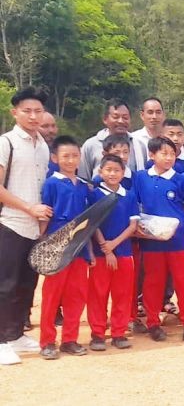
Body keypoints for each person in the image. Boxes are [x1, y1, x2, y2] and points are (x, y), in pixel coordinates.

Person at [0, 87, 54, 366]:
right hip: (11, 223)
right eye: (27, 111)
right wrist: (28, 208)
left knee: (27, 283)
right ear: (15, 113)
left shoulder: (42, 145)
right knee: (5, 284)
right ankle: (1, 340)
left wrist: (41, 215)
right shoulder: (6, 143)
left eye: (38, 111)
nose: (33, 116)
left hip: (36, 227)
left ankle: (16, 334)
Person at [133, 136, 184, 342]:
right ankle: (153, 323)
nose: (169, 158)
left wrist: (176, 215)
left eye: (172, 154)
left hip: (177, 240)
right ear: (151, 155)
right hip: (151, 241)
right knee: (153, 282)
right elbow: (135, 204)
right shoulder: (141, 178)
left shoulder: (181, 179)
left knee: (183, 282)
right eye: (164, 153)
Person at [38, 135, 90, 359]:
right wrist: (43, 242)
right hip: (57, 245)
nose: (70, 160)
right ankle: (47, 341)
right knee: (52, 295)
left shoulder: (84, 186)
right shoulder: (51, 183)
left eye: (75, 156)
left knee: (76, 295)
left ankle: (70, 339)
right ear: (54, 158)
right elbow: (45, 214)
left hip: (79, 247)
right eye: (65, 156)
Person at [86, 155, 139, 351]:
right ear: (100, 172)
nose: (112, 173)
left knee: (123, 294)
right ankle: (98, 333)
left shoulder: (129, 195)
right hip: (101, 255)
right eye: (108, 170)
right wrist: (105, 247)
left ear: (123, 173)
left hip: (124, 253)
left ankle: (119, 332)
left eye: (116, 170)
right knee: (98, 294)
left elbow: (133, 225)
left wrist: (114, 244)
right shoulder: (95, 195)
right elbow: (94, 223)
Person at [79, 100, 135, 178]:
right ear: (105, 119)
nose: (121, 121)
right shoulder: (90, 145)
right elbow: (83, 178)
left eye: (125, 117)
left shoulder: (138, 144)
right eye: (116, 117)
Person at [130, 97, 165, 169]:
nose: (154, 116)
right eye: (150, 112)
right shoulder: (133, 139)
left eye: (158, 112)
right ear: (142, 115)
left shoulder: (170, 139)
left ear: (163, 115)